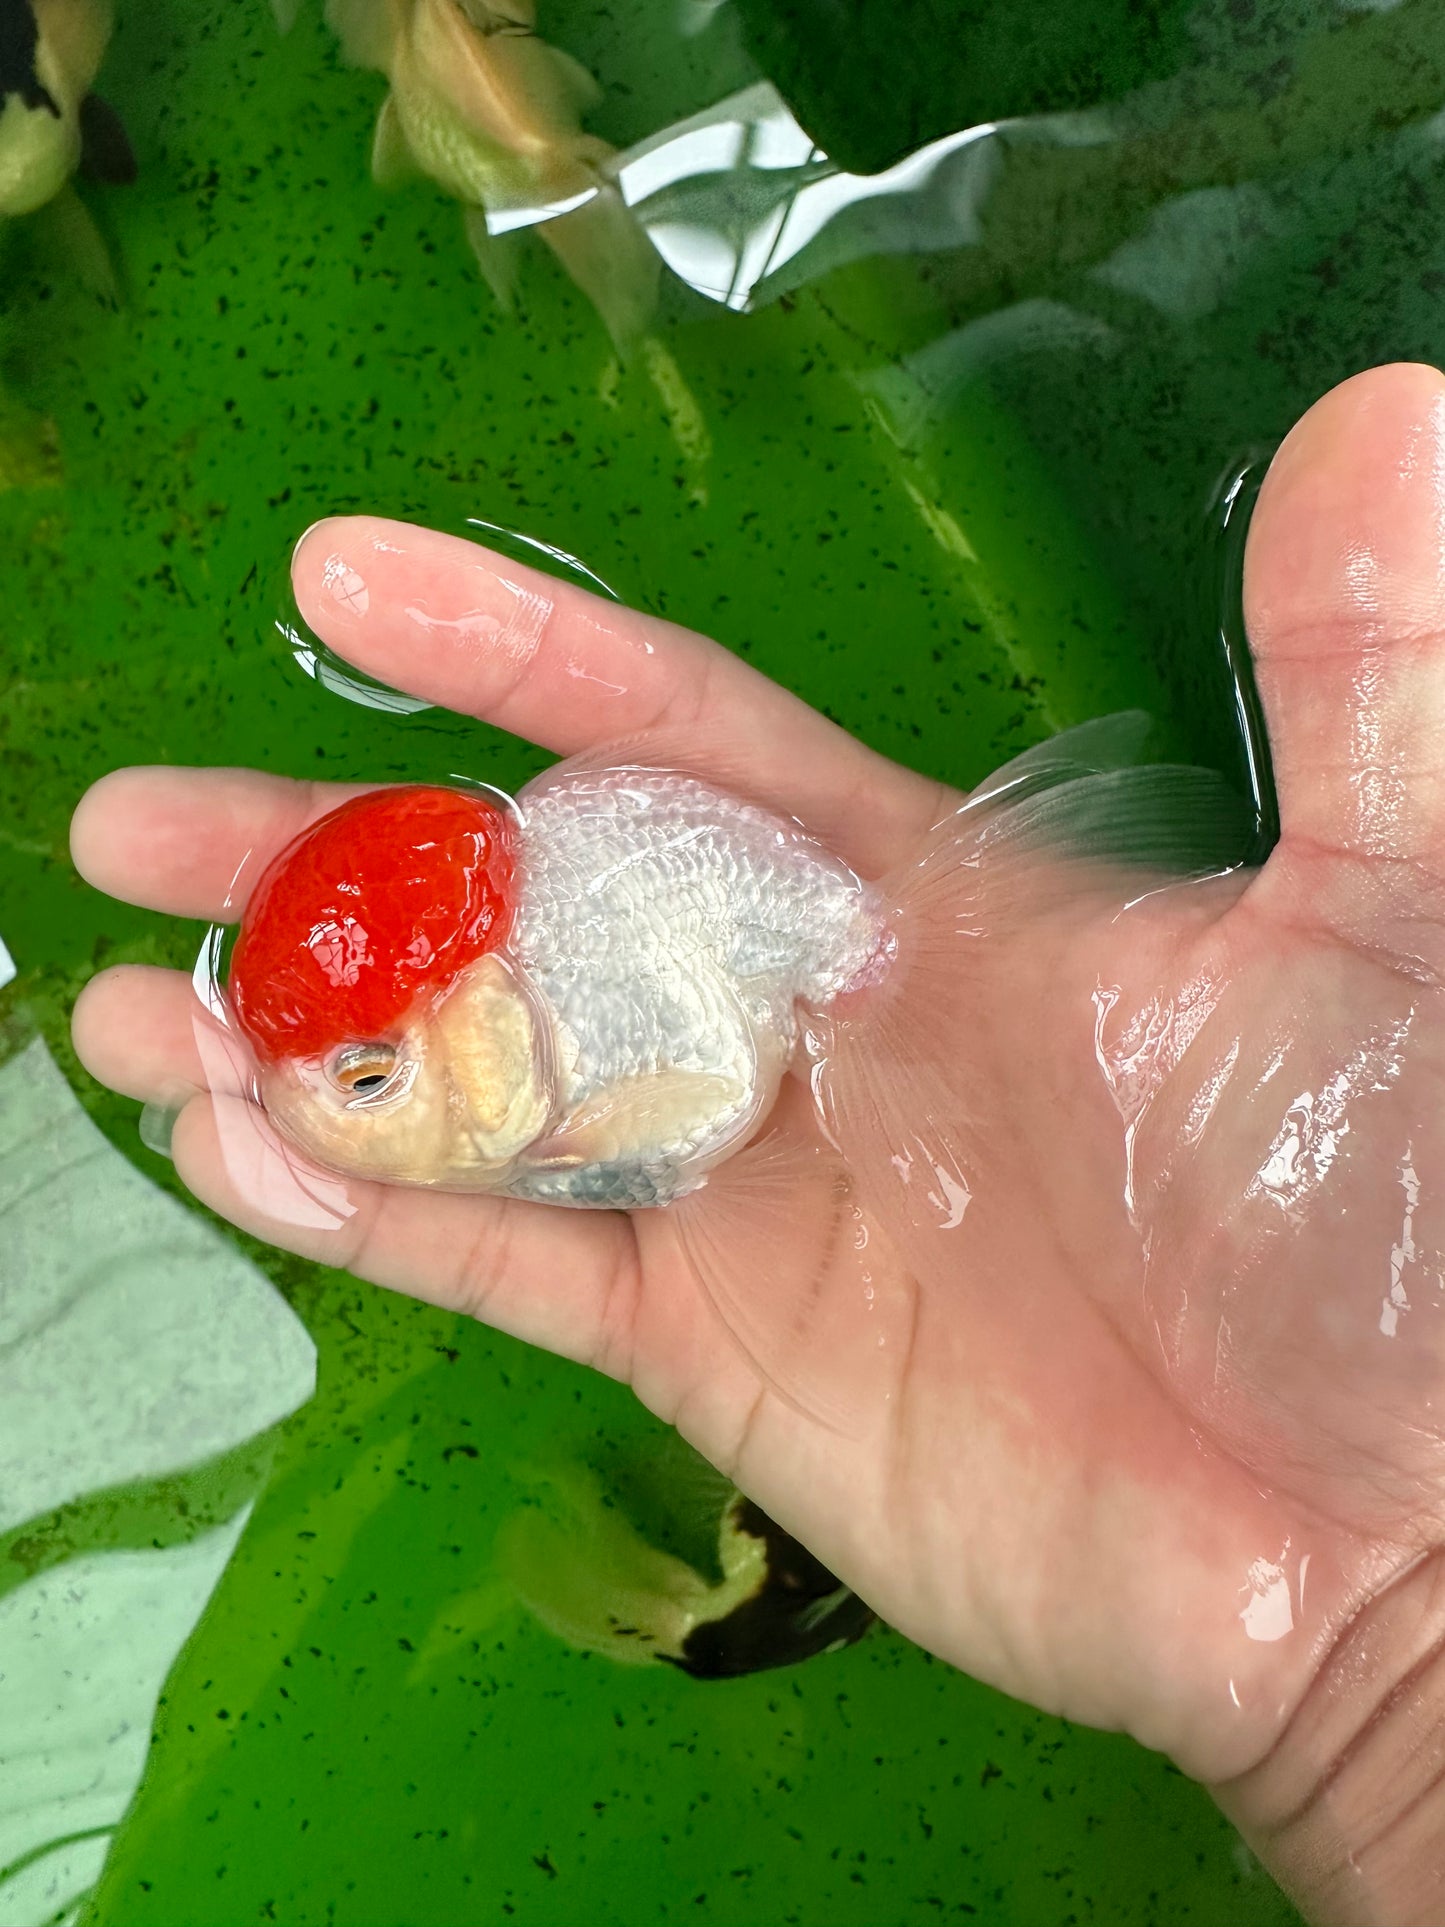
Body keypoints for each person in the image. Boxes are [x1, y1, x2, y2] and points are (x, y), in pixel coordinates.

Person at [69, 362, 1445, 1924]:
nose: (334, 1112)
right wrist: (1380, 1694)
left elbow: (695, 1106)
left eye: (371, 1077)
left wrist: (1391, 1662)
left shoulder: (613, 1003)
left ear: (480, 1029)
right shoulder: (526, 985)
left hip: (744, 1014)